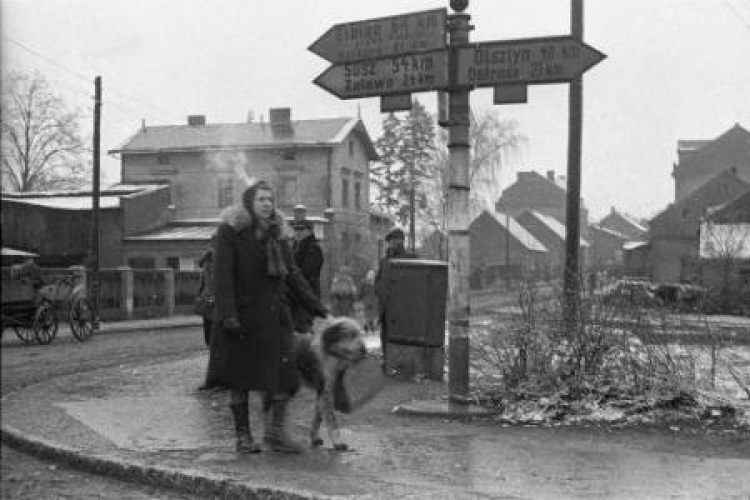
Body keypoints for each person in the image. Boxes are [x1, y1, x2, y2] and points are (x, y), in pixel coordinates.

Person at [211, 180, 328, 454]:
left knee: (284, 377)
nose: (267, 204)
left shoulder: (278, 235)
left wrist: (316, 306)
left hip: (275, 317)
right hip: (241, 316)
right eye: (262, 199)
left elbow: (293, 275)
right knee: (239, 378)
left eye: (271, 200)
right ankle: (243, 436)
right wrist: (228, 315)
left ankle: (275, 435)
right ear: (249, 204)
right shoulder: (231, 232)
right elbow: (222, 275)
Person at [374, 228, 416, 368]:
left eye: (394, 241)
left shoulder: (412, 259)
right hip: (386, 306)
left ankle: (403, 363)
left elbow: (415, 283)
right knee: (386, 335)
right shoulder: (384, 261)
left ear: (402, 241)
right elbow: (378, 281)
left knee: (403, 335)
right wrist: (381, 293)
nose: (391, 244)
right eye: (390, 241)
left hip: (404, 306)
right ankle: (387, 361)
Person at [290, 219, 324, 333]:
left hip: (307, 294)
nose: (297, 232)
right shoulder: (294, 247)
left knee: (303, 329)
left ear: (309, 231)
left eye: (301, 229)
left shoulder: (313, 248)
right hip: (294, 296)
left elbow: (307, 272)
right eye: (295, 229)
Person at [358, 269, 378, 334]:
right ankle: (369, 325)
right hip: (370, 301)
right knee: (369, 313)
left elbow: (361, 292)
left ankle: (369, 324)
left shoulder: (376, 283)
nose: (371, 276)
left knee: (371, 314)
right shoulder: (365, 283)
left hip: (371, 301)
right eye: (370, 274)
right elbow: (361, 292)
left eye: (372, 274)